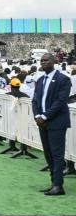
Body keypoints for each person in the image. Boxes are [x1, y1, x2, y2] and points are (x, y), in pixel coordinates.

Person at [32, 53, 71, 196]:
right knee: (48, 154)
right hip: (42, 122)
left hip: (57, 121)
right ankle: (53, 182)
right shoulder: (40, 80)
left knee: (57, 154)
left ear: (54, 61)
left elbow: (61, 102)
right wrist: (37, 115)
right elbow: (35, 100)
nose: (43, 63)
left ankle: (58, 185)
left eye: (46, 60)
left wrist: (45, 116)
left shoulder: (63, 79)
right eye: (41, 61)